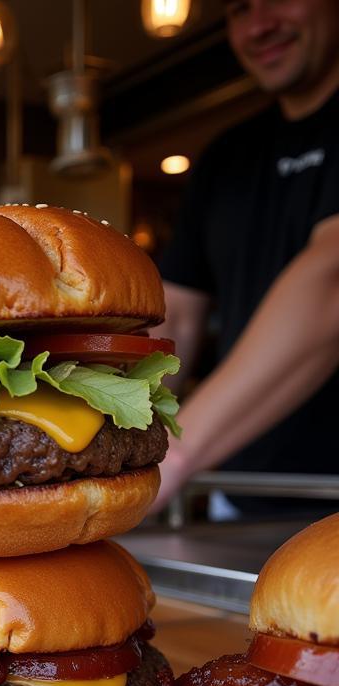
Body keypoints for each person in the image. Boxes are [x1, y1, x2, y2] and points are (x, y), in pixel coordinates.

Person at [154, 0, 339, 515]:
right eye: (239, 9)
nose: (260, 25)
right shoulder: (229, 155)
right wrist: (104, 425)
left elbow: (332, 282)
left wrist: (175, 455)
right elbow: (178, 313)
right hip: (237, 493)